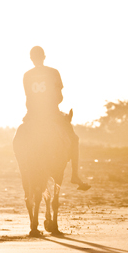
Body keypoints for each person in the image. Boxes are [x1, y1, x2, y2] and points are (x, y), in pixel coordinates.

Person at [23, 46, 90, 190]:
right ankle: (75, 175)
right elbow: (59, 97)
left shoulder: (27, 75)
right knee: (74, 139)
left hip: (33, 114)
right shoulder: (53, 72)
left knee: (20, 138)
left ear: (31, 59)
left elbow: (28, 97)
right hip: (52, 113)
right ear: (44, 57)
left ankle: (23, 167)